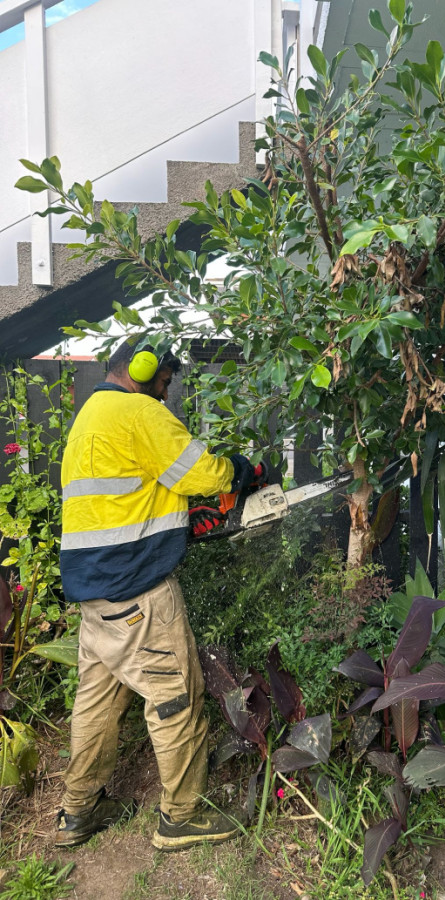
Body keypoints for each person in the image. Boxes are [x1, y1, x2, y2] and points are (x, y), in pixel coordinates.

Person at [55, 338, 254, 851]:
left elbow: (124, 500)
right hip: (139, 594)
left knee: (97, 703)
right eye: (165, 382)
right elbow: (204, 473)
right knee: (175, 698)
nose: (166, 394)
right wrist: (243, 471)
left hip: (96, 597)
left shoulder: (91, 415)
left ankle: (77, 811)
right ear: (143, 370)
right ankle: (181, 817)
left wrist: (179, 523)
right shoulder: (140, 412)